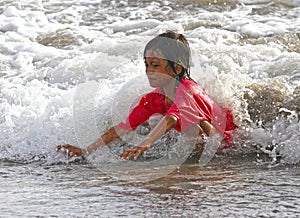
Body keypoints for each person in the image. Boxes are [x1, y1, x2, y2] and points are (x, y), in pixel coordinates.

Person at [56, 30, 237, 161]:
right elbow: (124, 127)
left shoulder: (188, 90)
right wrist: (87, 150)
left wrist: (147, 142)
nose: (149, 71)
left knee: (191, 119)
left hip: (225, 143)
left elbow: (172, 117)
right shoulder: (154, 99)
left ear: (178, 68)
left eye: (155, 65)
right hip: (200, 144)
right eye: (147, 64)